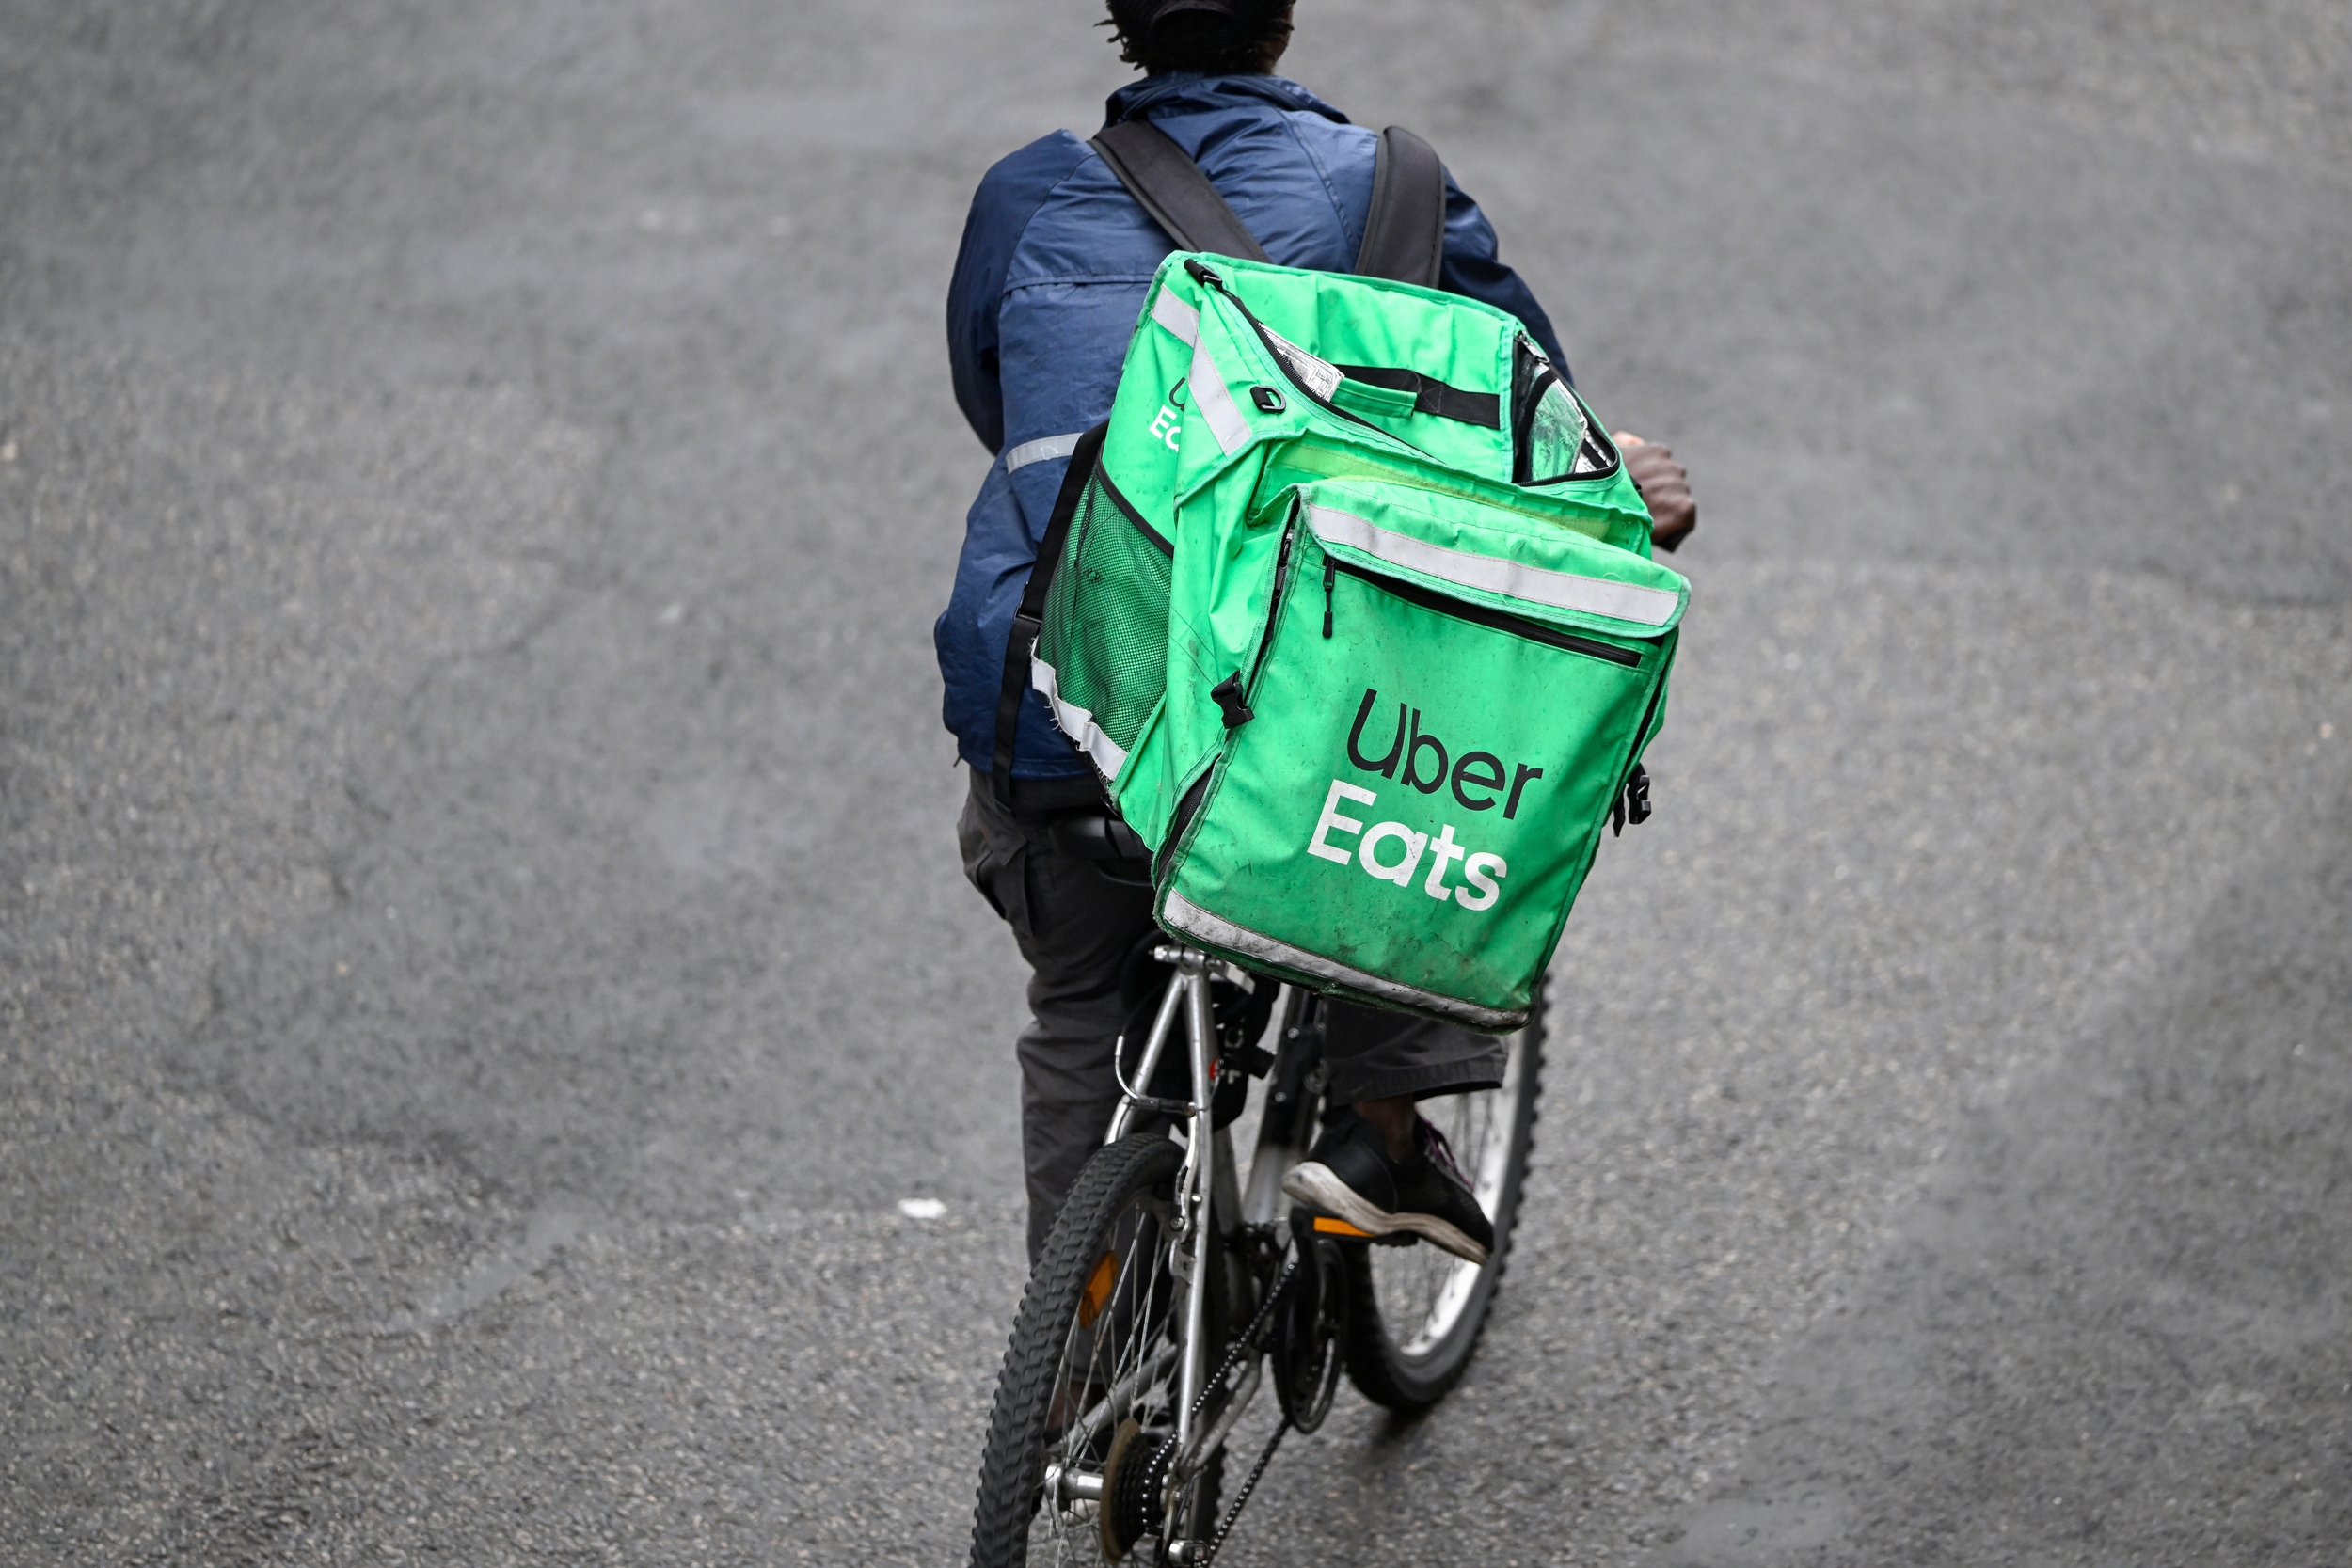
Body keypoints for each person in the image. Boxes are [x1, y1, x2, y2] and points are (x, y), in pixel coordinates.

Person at [938, 0, 1694, 1268]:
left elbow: (995, 399)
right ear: (1285, 15)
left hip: (1055, 700)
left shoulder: (1025, 197)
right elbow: (1519, 449)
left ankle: (1081, 1369)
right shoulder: (1388, 189)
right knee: (1391, 759)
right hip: (1278, 725)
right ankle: (1378, 1128)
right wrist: (1626, 482)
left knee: (1082, 1008)